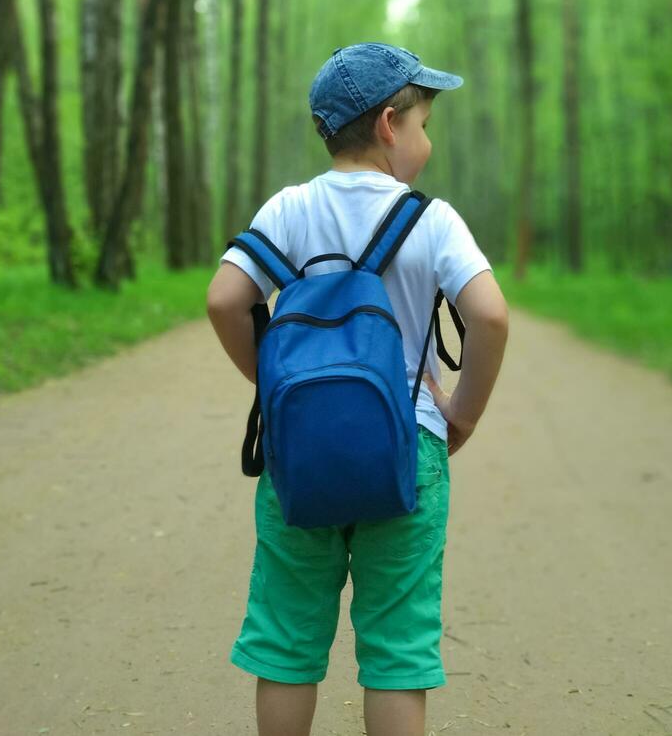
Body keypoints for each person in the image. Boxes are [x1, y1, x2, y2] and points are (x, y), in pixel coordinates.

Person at [206, 42, 509, 736]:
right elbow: (489, 315)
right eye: (423, 123)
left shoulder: (287, 209)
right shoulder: (430, 219)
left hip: (300, 456)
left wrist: (276, 379)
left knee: (287, 638)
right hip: (407, 450)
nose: (425, 140)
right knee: (396, 647)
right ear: (387, 124)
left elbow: (226, 299)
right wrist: (459, 414)